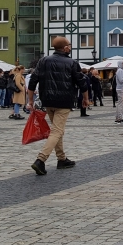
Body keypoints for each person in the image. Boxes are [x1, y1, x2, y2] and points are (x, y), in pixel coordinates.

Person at [28, 37, 89, 175]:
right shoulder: (72, 63)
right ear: (65, 48)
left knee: (57, 129)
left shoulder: (43, 61)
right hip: (64, 101)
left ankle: (62, 159)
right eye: (69, 45)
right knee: (57, 131)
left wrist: (30, 100)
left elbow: (33, 80)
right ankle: (40, 160)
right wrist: (86, 99)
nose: (70, 47)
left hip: (47, 100)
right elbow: (81, 82)